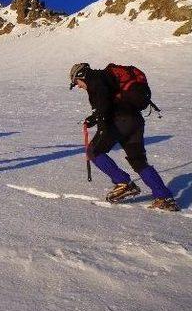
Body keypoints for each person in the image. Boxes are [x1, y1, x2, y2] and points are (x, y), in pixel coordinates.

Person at [69, 62, 180, 211]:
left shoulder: (94, 78)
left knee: (93, 151)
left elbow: (103, 103)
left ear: (81, 75)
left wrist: (102, 128)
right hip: (135, 121)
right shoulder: (106, 77)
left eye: (76, 82)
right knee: (139, 161)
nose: (79, 86)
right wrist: (94, 118)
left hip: (120, 121)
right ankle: (164, 198)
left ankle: (123, 183)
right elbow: (107, 102)